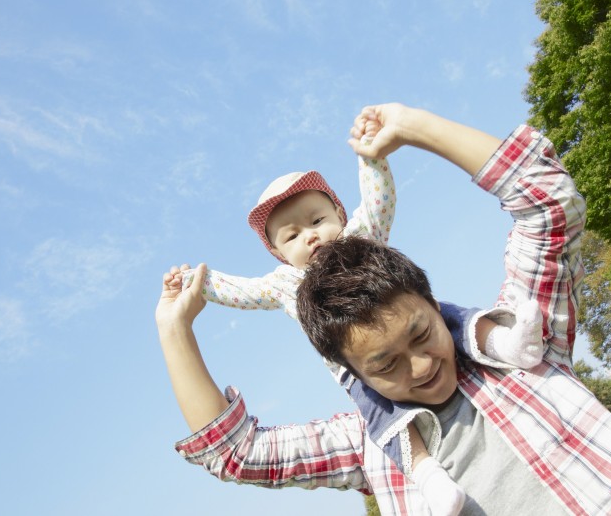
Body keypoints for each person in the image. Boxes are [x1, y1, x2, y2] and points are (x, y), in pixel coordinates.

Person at [156, 103, 611, 514]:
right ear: (351, 368)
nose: (421, 368)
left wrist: (411, 128)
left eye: (422, 335)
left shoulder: (525, 350)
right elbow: (238, 453)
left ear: (429, 301)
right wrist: (175, 328)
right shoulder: (372, 445)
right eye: (385, 365)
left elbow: (550, 207)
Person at [178, 134, 542, 514]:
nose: (312, 235)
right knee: (384, 418)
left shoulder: (360, 236)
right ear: (278, 253)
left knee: (448, 319)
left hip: (409, 318)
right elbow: (242, 291)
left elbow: (379, 201)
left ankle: (506, 343)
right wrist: (198, 282)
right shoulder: (285, 284)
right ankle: (427, 476)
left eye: (318, 220)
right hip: (356, 372)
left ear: (339, 213)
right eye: (293, 236)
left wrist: (371, 159)